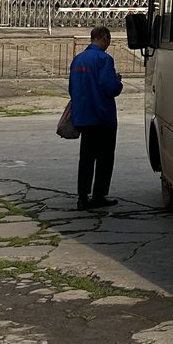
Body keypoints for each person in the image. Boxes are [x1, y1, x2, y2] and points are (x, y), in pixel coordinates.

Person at [69, 26, 124, 211]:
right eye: (109, 39)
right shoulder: (104, 59)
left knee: (86, 158)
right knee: (104, 158)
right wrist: (118, 81)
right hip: (102, 117)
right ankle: (98, 195)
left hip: (83, 116)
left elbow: (72, 88)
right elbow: (110, 88)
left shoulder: (78, 59)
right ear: (104, 38)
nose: (109, 43)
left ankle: (82, 197)